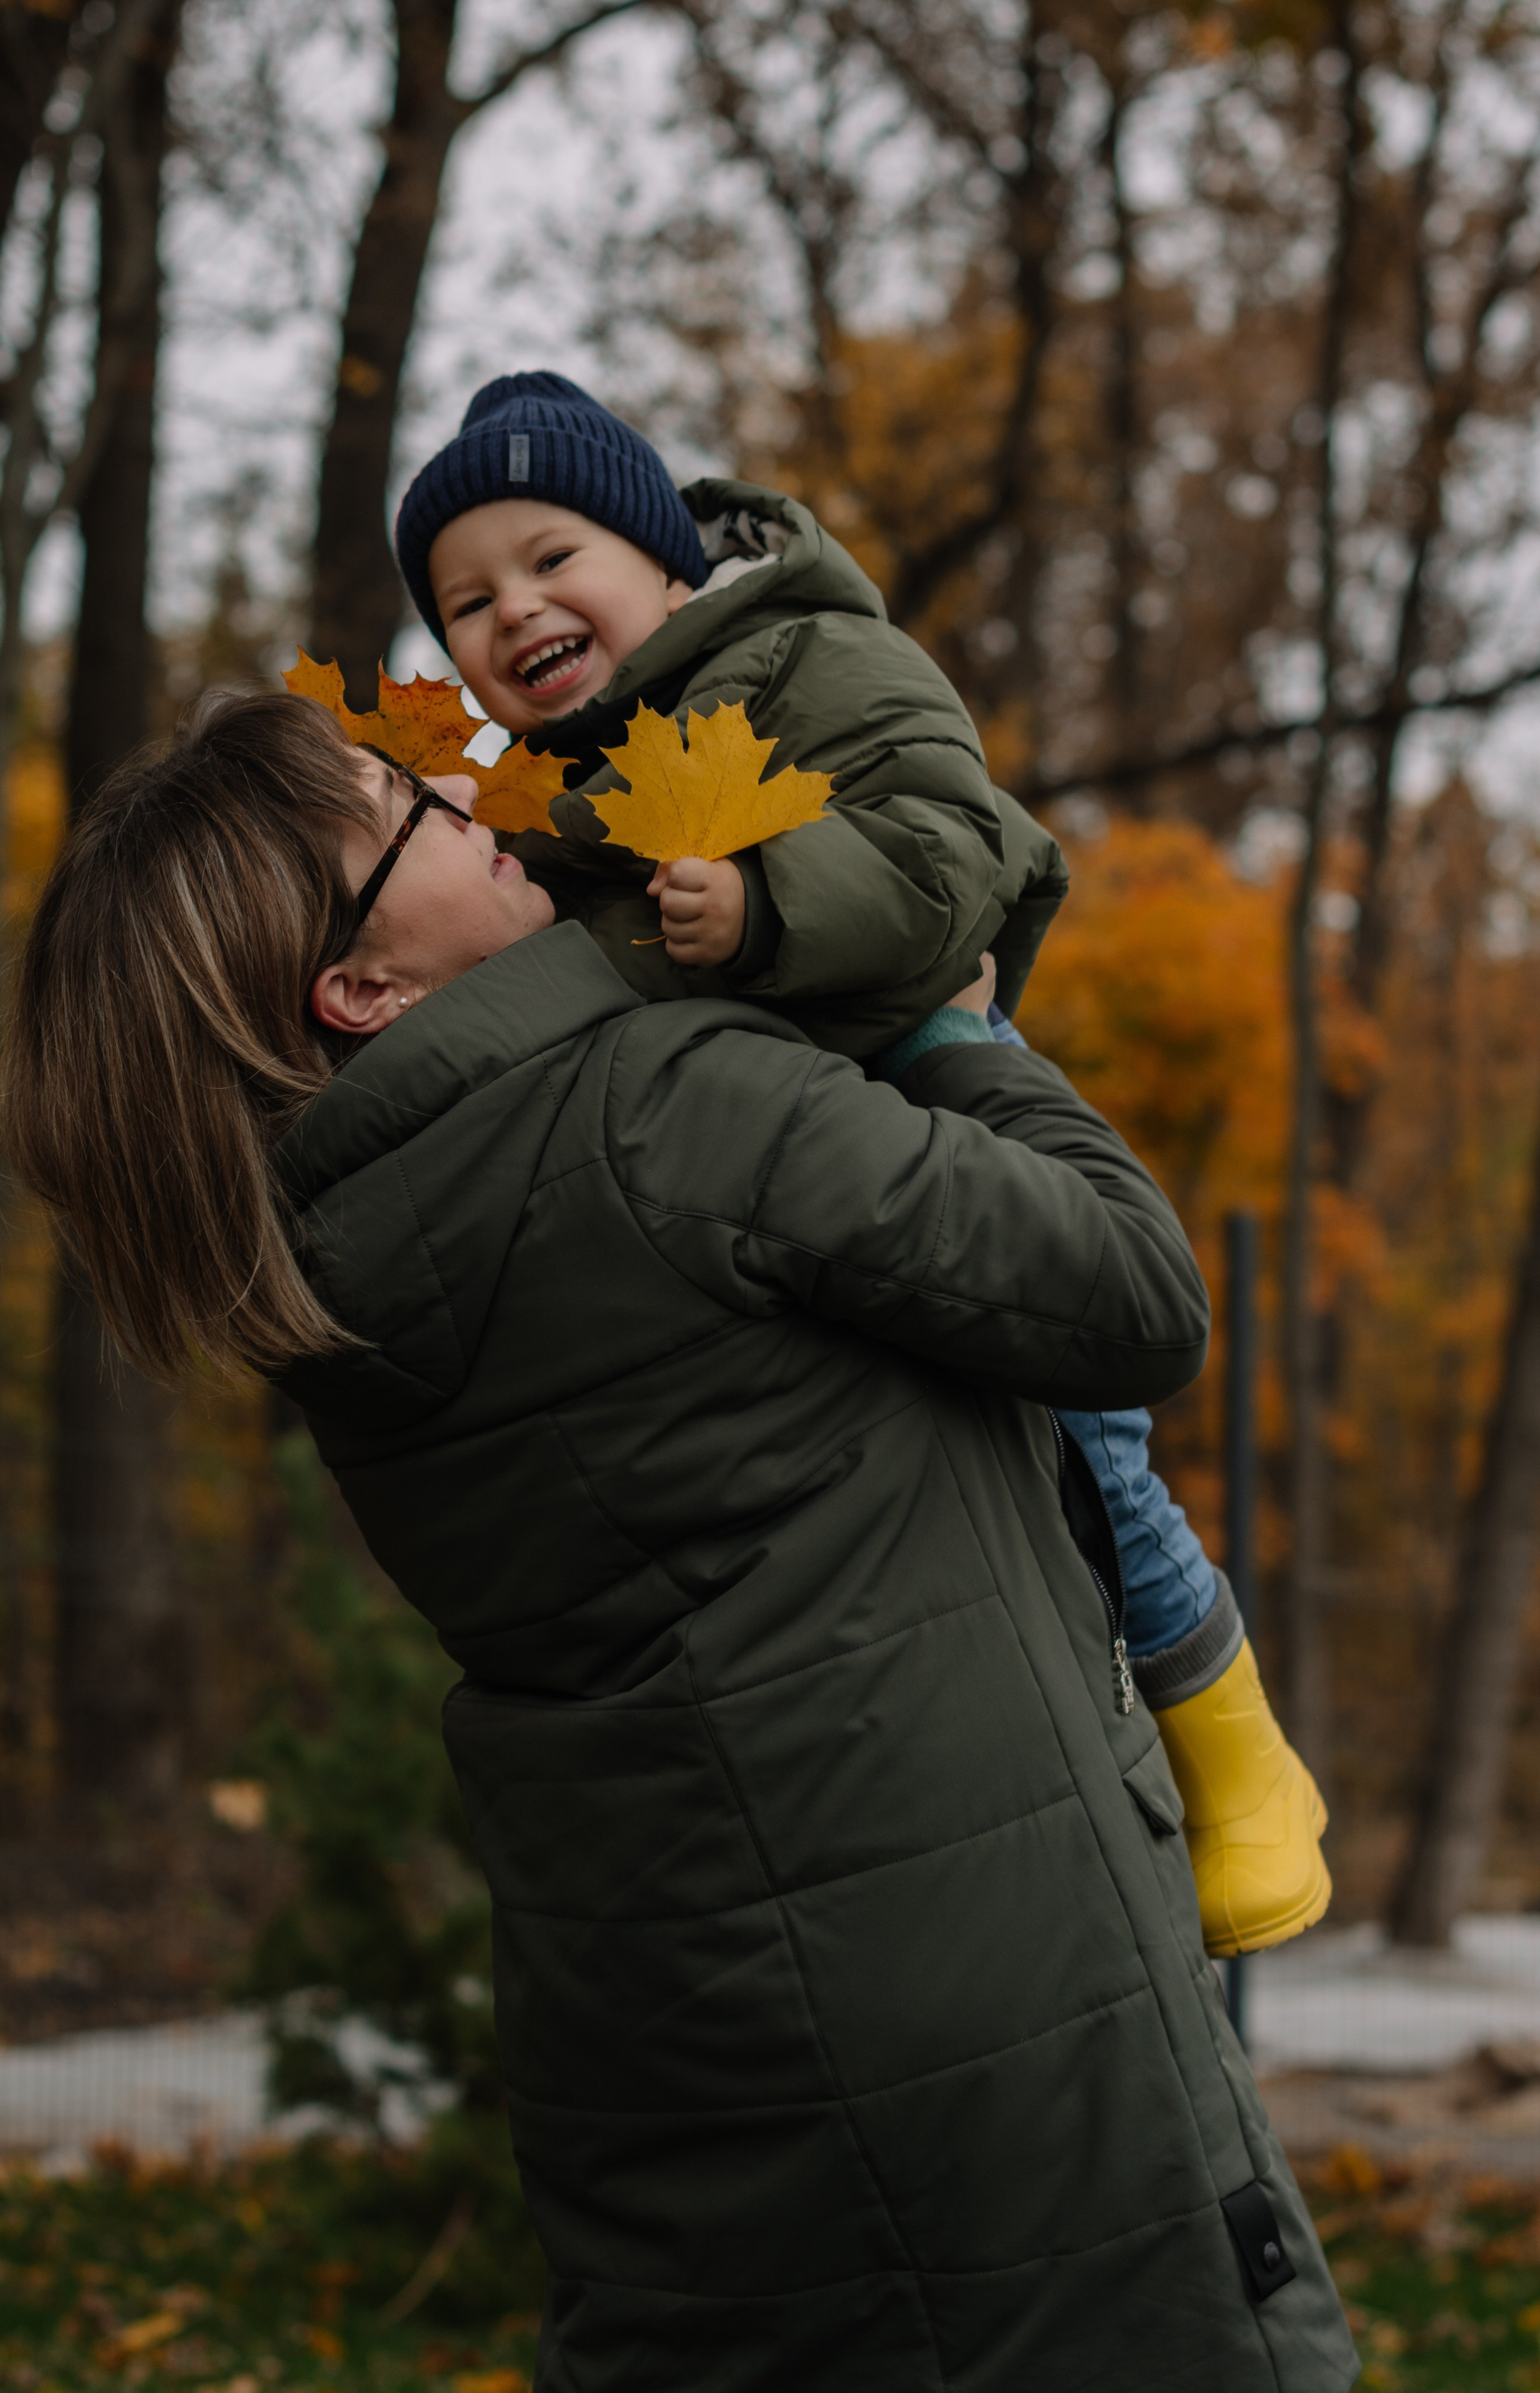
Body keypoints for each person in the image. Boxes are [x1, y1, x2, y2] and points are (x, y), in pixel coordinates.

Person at [4, 692, 1357, 2392]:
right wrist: (957, 1038)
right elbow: (1134, 1294)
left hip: (663, 2049)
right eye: (395, 807)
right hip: (987, 2026)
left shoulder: (342, 1280)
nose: (450, 794)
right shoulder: (660, 1108)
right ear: (357, 989)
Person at [392, 370, 1329, 1957]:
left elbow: (951, 852)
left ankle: (1237, 1752)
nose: (513, 610)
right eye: (466, 600)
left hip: (909, 1059)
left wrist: (767, 911)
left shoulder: (810, 653)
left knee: (1082, 1433)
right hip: (766, 1145)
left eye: (552, 558)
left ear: (659, 553)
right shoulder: (542, 796)